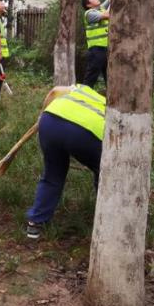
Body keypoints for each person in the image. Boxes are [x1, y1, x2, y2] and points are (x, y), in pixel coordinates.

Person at [26, 84, 105, 239]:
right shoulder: (111, 107)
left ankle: (35, 223)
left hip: (50, 121)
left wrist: (41, 115)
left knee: (53, 174)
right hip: (84, 133)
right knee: (105, 172)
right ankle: (107, 217)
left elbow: (54, 91)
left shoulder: (81, 89)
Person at [82, 0, 111, 88]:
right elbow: (107, 15)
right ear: (89, 5)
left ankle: (110, 100)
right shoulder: (90, 13)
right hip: (96, 50)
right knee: (91, 76)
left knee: (109, 76)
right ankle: (83, 97)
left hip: (106, 49)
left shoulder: (100, 8)